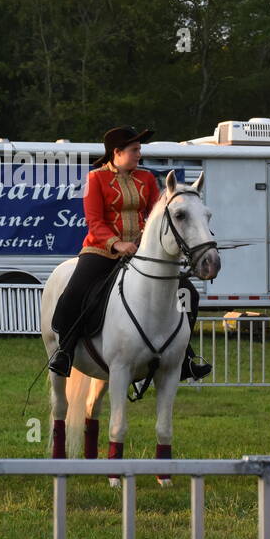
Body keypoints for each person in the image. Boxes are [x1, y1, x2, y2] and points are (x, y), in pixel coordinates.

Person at [48, 126, 211, 382]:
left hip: (140, 252)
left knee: (187, 292)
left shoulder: (146, 179)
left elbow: (158, 214)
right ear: (117, 152)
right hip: (100, 250)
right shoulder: (95, 179)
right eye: (134, 150)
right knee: (74, 293)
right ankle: (65, 352)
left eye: (139, 150)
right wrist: (116, 244)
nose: (139, 154)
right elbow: (94, 221)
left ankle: (185, 357)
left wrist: (147, 240)